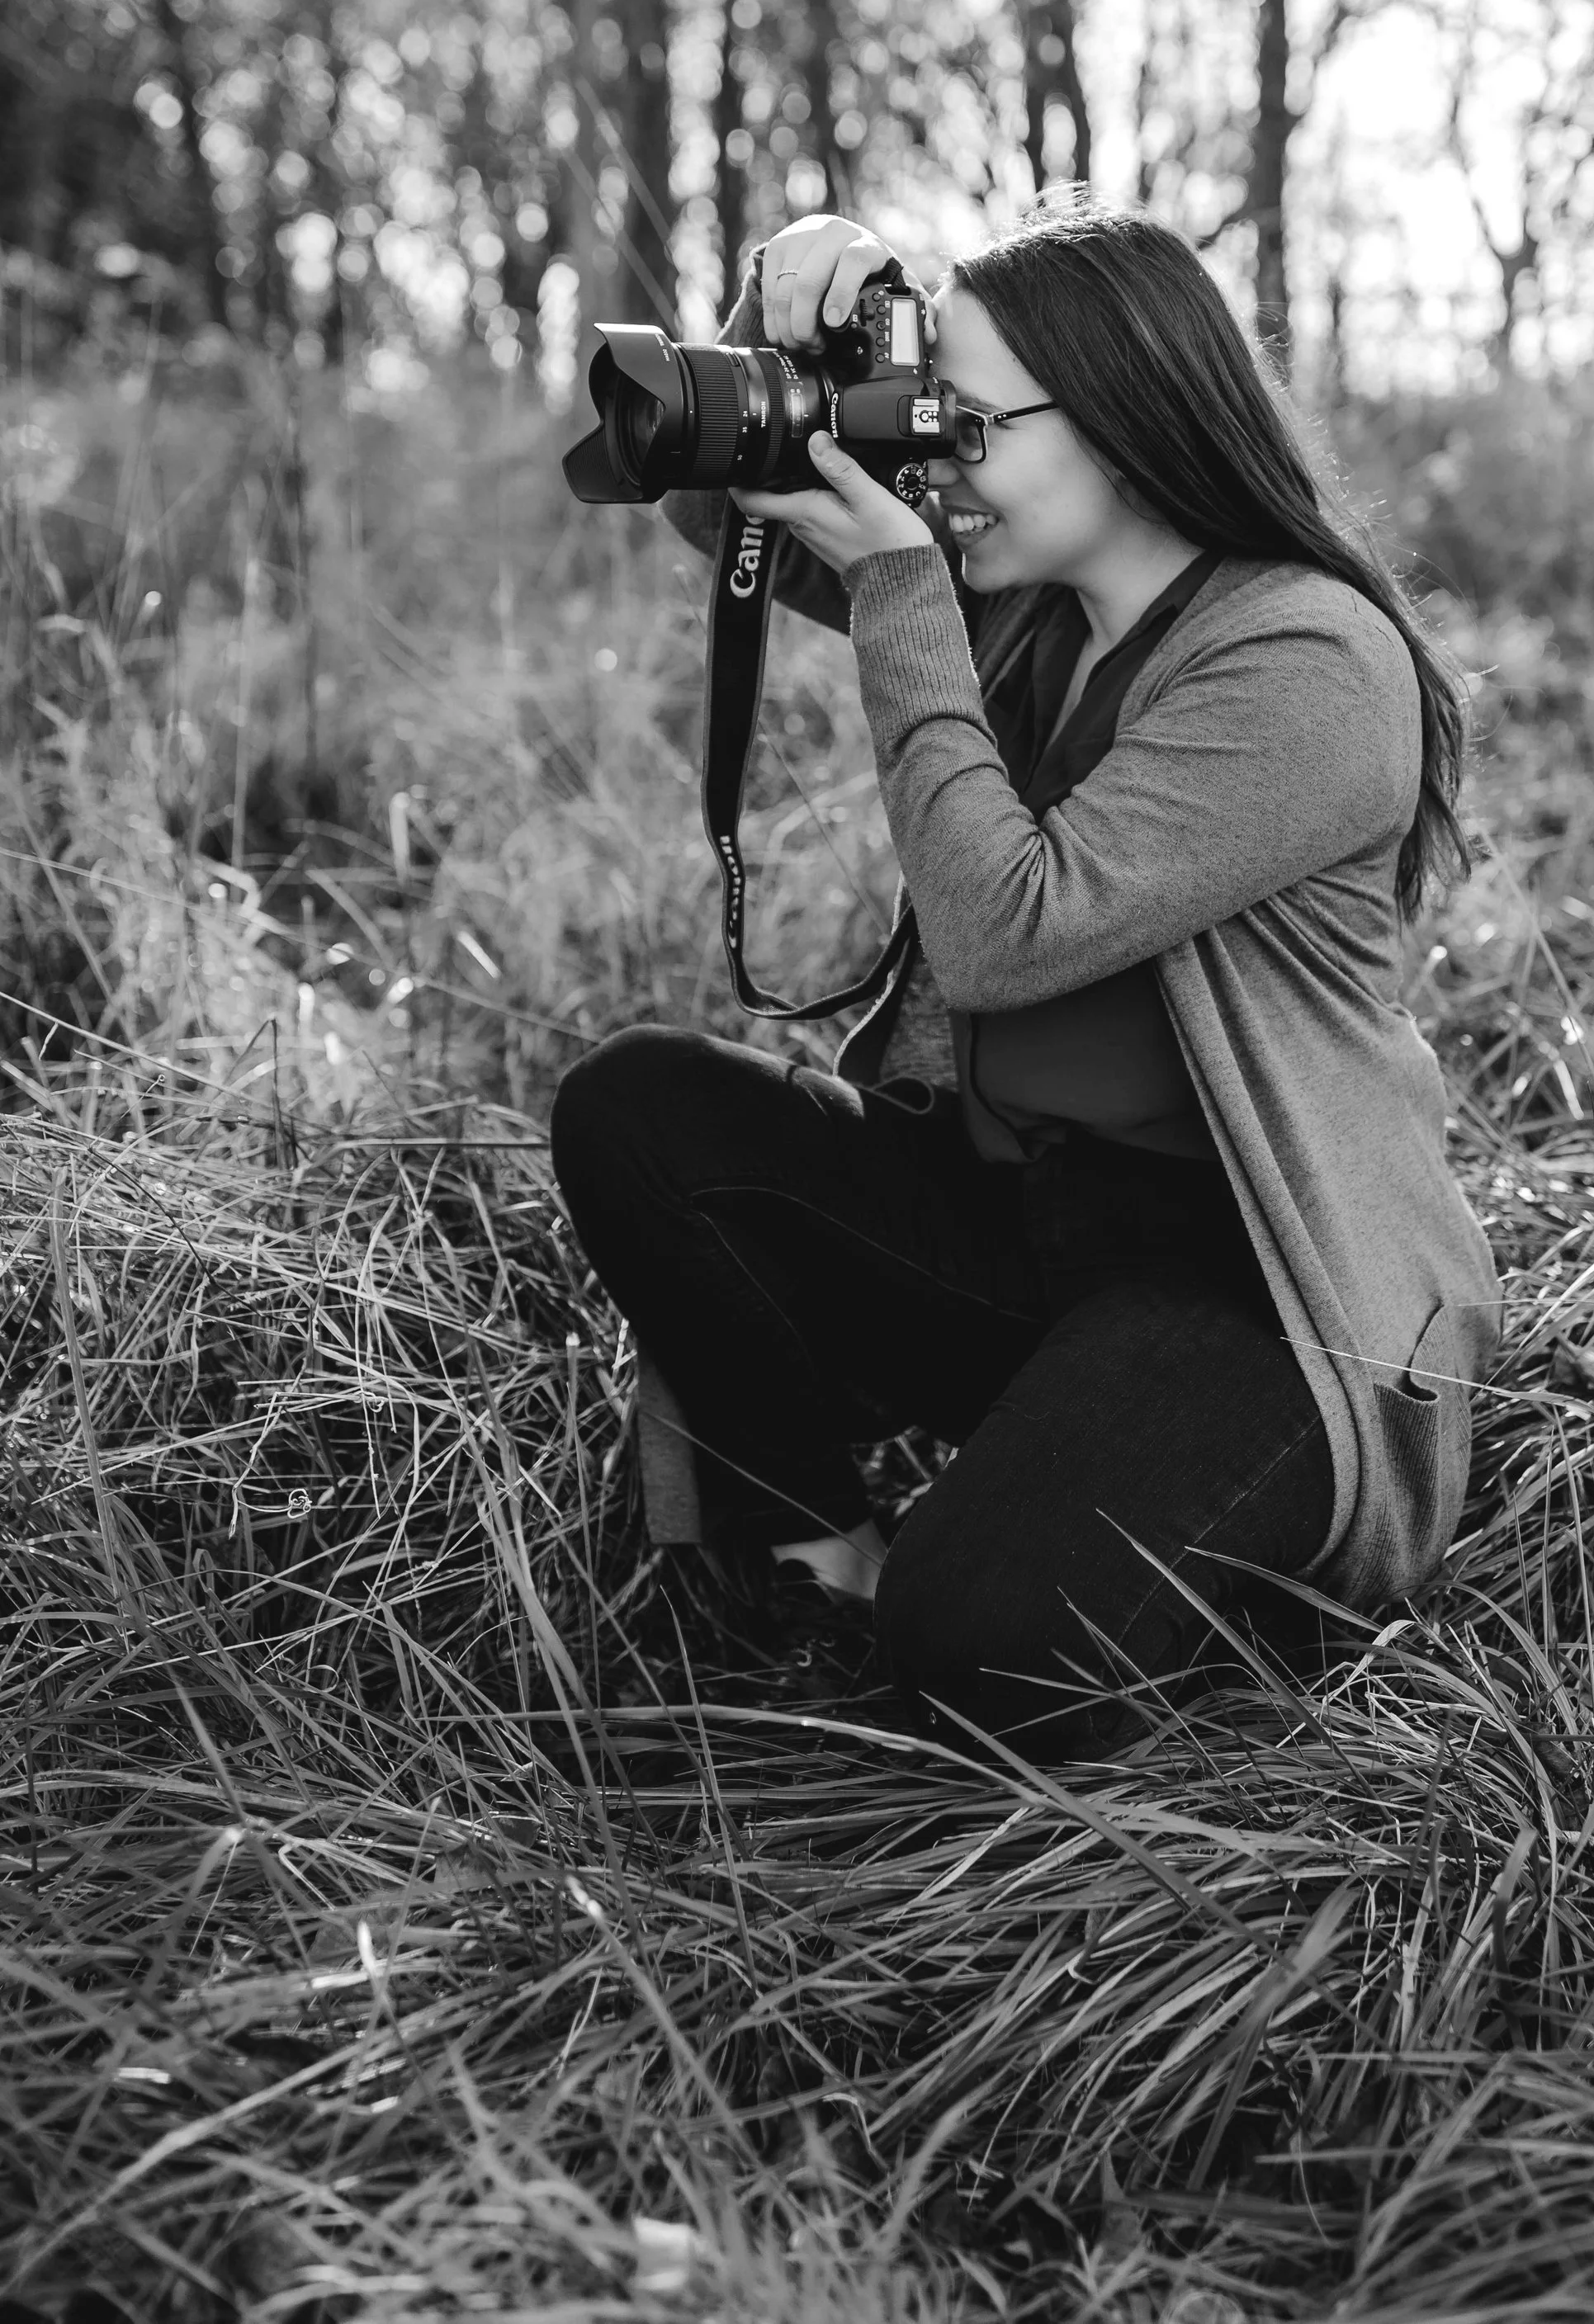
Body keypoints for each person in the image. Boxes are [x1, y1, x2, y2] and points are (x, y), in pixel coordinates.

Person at [551, 196, 1501, 1761]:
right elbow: (713, 504)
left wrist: (906, 590)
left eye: (970, 422)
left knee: (980, 1643)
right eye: (930, 415)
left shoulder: (1310, 661)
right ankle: (819, 1556)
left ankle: (1088, 1538)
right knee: (640, 1109)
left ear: (1125, 417)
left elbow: (1010, 925)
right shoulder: (1027, 601)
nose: (937, 458)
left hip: (1252, 1283)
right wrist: (788, 318)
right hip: (1014, 1218)